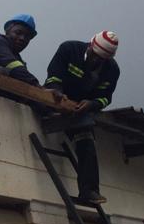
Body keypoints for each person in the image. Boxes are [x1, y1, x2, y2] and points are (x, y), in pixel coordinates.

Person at [44, 31, 121, 204]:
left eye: (102, 59)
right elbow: (54, 74)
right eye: (95, 56)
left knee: (86, 138)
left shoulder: (112, 70)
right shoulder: (69, 49)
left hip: (79, 111)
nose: (96, 61)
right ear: (90, 45)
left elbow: (105, 98)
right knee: (38, 103)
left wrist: (92, 104)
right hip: (54, 99)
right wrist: (56, 91)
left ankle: (89, 191)